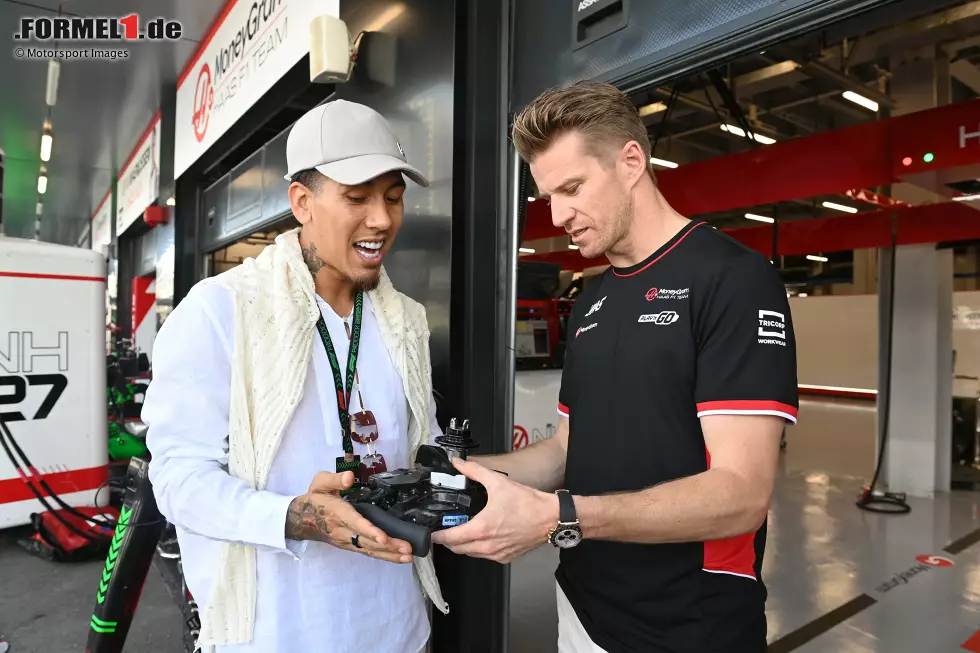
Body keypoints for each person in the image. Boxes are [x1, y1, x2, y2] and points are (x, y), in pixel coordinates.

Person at [432, 81, 799, 653]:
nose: (558, 215)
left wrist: (559, 517)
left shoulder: (733, 281)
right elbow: (565, 452)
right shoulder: (591, 301)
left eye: (572, 187)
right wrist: (462, 473)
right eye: (548, 196)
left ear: (631, 161)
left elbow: (742, 494)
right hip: (581, 606)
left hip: (687, 626)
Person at [143, 99, 448, 653]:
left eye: (394, 197)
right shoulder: (220, 311)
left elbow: (412, 451)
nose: (381, 218)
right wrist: (296, 517)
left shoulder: (404, 319)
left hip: (400, 629)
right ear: (302, 202)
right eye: (357, 197)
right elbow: (178, 481)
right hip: (277, 634)